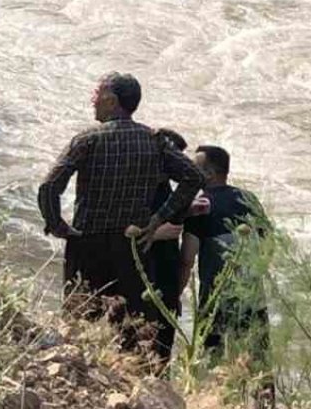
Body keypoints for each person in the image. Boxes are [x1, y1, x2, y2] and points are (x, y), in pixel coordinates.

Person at [37, 72, 205, 352]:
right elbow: (194, 177)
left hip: (86, 244)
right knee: (132, 328)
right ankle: (132, 385)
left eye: (96, 93)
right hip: (134, 246)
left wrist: (58, 225)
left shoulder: (87, 140)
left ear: (112, 101)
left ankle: (85, 377)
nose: (92, 99)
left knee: (80, 322)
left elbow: (48, 186)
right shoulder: (153, 140)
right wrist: (157, 219)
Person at [178, 145, 271, 354]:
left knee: (212, 361)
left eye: (195, 168)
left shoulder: (201, 206)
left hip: (216, 300)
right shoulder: (249, 198)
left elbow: (187, 259)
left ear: (209, 174)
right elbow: (269, 243)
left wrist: (175, 294)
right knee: (258, 363)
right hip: (253, 298)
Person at [146, 127, 198, 363]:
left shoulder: (169, 189)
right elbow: (121, 234)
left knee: (162, 346)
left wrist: (187, 211)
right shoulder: (141, 189)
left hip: (165, 274)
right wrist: (157, 233)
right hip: (148, 272)